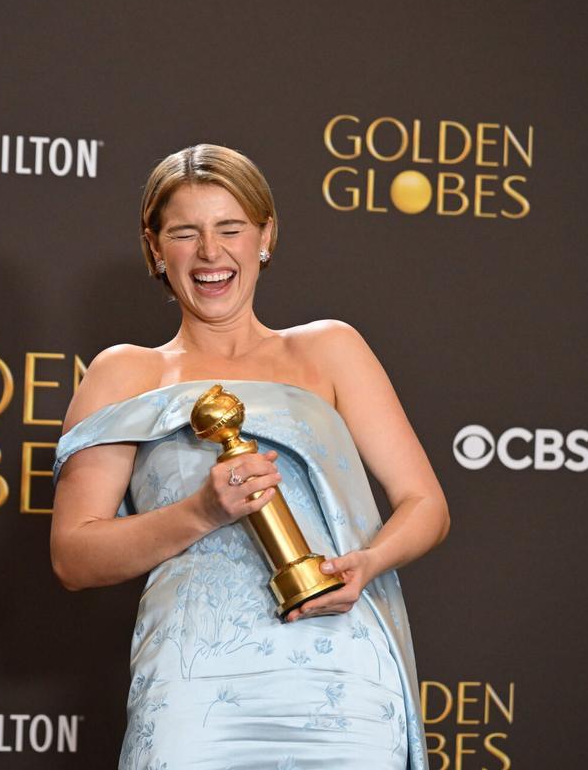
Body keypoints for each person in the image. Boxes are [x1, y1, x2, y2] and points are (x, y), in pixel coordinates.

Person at [51, 144, 449, 770]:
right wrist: (202, 512)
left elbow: (425, 504)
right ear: (155, 249)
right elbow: (74, 557)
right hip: (193, 683)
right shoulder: (124, 373)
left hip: (341, 676)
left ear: (266, 236)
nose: (211, 252)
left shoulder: (331, 350)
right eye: (185, 233)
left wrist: (368, 564)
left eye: (230, 228)